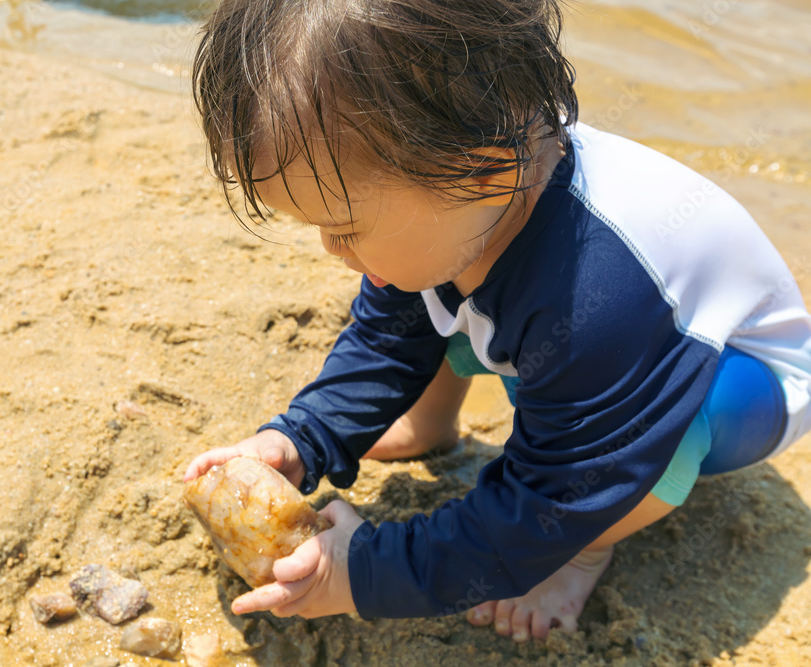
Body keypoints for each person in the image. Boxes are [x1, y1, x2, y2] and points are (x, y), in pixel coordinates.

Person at [182, 0, 811, 642]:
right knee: (423, 294)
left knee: (642, 444)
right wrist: (304, 437)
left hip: (744, 378)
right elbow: (386, 339)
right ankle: (428, 423)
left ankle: (589, 551)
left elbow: (551, 502)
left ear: (486, 170)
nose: (329, 248)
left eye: (342, 227)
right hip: (584, 338)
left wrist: (363, 571)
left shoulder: (595, 294)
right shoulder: (467, 197)